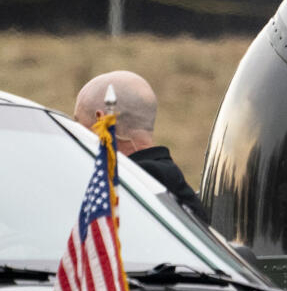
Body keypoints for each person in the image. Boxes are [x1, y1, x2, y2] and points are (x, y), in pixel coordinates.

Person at [74, 71, 208, 222]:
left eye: (78, 123)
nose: (75, 134)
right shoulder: (168, 183)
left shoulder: (130, 188)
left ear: (103, 122)